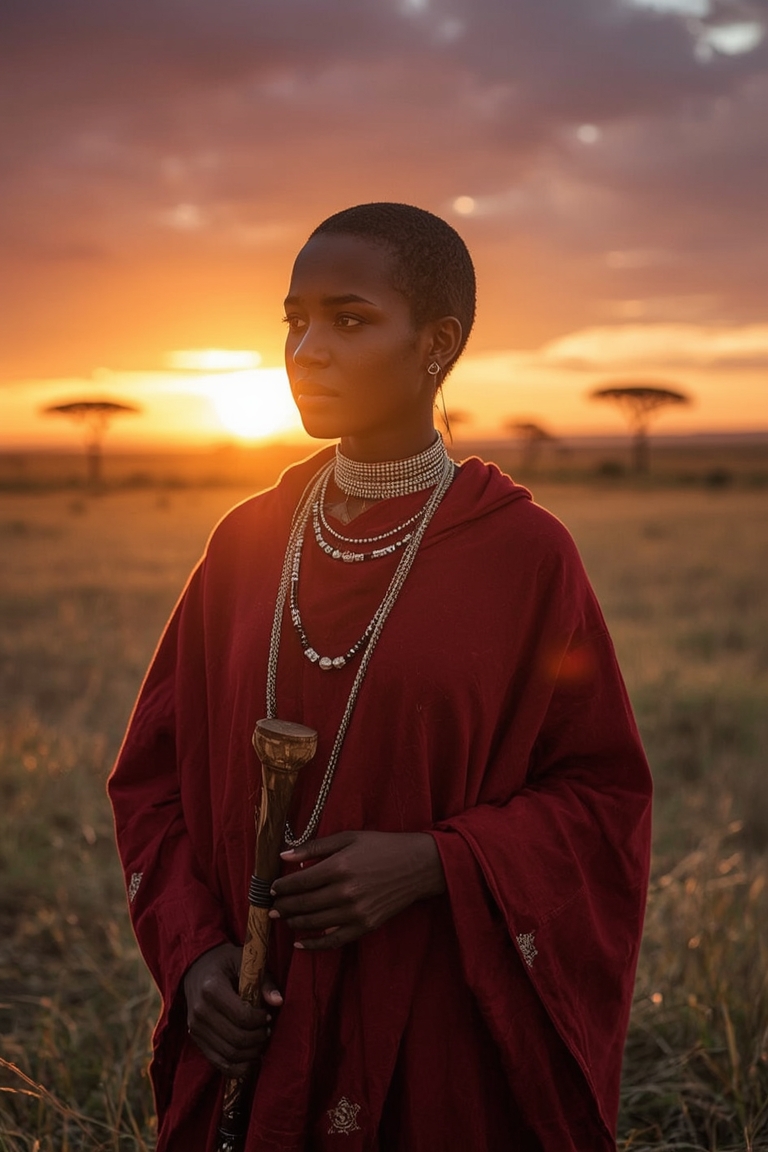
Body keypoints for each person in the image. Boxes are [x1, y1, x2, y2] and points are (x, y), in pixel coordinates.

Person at [108, 202, 652, 1152]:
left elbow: (603, 795)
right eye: (295, 319)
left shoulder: (523, 556)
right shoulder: (244, 545)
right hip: (254, 1023)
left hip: (437, 1034)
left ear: (436, 344)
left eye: (349, 320)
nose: (307, 349)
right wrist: (198, 963)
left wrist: (436, 863)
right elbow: (150, 781)